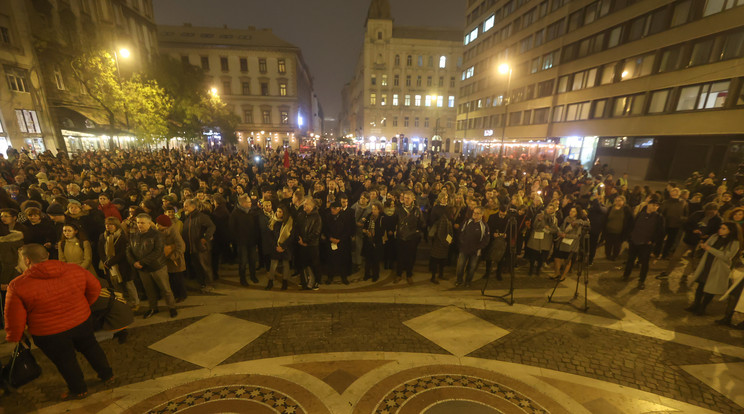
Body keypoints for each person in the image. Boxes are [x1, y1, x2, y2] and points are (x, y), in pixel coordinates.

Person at [4, 244, 114, 400]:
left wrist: (15, 335)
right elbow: (95, 287)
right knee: (91, 348)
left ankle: (79, 389)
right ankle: (107, 374)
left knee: (65, 360)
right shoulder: (73, 269)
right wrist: (83, 305)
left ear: (26, 260)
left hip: (50, 333)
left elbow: (14, 316)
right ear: (47, 255)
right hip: (81, 321)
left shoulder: (17, 285)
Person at [127, 213, 178, 319]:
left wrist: (141, 262)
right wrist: (133, 262)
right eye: (138, 222)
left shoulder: (157, 235)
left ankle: (172, 307)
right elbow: (128, 249)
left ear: (149, 223)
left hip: (157, 267)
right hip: (143, 269)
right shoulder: (134, 235)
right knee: (149, 290)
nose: (139, 225)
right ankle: (153, 308)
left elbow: (158, 251)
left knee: (166, 289)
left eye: (142, 223)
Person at [687, 222, 741, 316]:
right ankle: (695, 304)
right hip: (707, 264)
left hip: (718, 268)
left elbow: (727, 256)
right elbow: (707, 245)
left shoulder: (734, 243)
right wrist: (703, 246)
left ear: (730, 230)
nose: (720, 230)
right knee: (700, 285)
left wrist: (709, 249)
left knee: (711, 288)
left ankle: (702, 307)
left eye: (724, 228)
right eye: (720, 228)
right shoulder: (715, 236)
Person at [622, 199, 665, 289]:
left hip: (646, 244)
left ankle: (641, 281)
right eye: (653, 204)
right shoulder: (640, 214)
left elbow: (660, 232)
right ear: (648, 205)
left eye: (657, 206)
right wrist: (630, 236)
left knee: (645, 263)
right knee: (630, 260)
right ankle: (626, 275)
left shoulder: (659, 217)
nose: (655, 207)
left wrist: (652, 241)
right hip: (634, 241)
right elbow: (633, 225)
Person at [98, 217, 139, 310]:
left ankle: (135, 302)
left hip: (122, 265)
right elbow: (100, 250)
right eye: (107, 224)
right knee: (116, 285)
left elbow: (123, 252)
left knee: (129, 285)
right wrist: (105, 261)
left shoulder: (122, 236)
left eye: (111, 224)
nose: (108, 226)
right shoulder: (103, 236)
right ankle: (122, 302)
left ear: (116, 226)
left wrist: (110, 262)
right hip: (109, 266)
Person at [181, 198, 216, 293]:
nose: (184, 208)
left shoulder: (201, 217)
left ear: (193, 207)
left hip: (201, 247)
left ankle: (209, 284)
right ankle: (202, 283)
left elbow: (211, 226)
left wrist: (205, 238)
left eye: (186, 206)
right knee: (197, 266)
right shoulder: (188, 218)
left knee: (205, 266)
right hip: (192, 248)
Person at [455, 206, 490, 288]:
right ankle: (459, 280)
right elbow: (461, 233)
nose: (475, 214)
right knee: (460, 266)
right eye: (474, 212)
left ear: (481, 214)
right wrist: (462, 243)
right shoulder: (467, 222)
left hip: (475, 251)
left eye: (477, 213)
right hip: (464, 249)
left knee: (472, 267)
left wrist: (478, 247)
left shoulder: (484, 226)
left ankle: (468, 281)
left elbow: (486, 239)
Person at [394, 191, 424, 284]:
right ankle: (399, 274)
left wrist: (417, 232)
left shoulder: (417, 210)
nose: (406, 200)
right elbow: (395, 221)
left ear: (413, 199)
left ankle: (409, 275)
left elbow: (421, 223)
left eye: (408, 198)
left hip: (412, 237)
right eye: (405, 197)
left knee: (410, 257)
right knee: (400, 256)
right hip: (401, 236)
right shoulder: (399, 209)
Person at [229, 194, 259, 286]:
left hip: (252, 241)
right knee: (243, 261)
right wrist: (237, 240)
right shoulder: (235, 214)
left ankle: (253, 276)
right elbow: (232, 229)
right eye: (249, 202)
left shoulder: (251, 212)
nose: (251, 203)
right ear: (242, 203)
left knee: (252, 260)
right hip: (242, 243)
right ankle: (243, 278)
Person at [156, 214, 187, 303]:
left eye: (159, 224)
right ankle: (175, 294)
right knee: (171, 278)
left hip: (175, 260)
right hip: (166, 259)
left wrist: (173, 256)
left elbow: (181, 246)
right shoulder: (159, 231)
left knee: (178, 279)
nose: (157, 225)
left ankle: (182, 295)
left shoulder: (173, 231)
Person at [266, 205, 295, 290]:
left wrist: (283, 246)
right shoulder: (273, 221)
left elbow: (291, 236)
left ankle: (285, 282)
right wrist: (276, 246)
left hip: (285, 247)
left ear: (284, 213)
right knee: (273, 264)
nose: (278, 213)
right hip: (276, 247)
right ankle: (270, 281)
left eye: (280, 212)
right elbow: (270, 236)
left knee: (285, 265)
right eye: (277, 211)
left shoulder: (289, 222)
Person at [525, 204, 559, 277]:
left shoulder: (554, 219)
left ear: (553, 210)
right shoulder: (540, 215)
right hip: (537, 237)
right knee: (533, 255)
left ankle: (538, 270)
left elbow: (555, 230)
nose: (549, 210)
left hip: (546, 239)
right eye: (548, 208)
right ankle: (531, 269)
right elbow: (534, 226)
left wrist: (548, 229)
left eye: (551, 209)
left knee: (542, 256)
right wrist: (539, 220)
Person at [297, 196, 322, 290]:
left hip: (312, 245)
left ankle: (316, 281)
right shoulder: (302, 214)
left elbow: (316, 232)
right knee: (303, 263)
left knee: (314, 264)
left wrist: (306, 241)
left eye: (306, 204)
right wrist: (300, 239)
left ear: (311, 206)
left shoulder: (317, 217)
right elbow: (298, 227)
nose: (304, 205)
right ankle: (304, 281)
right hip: (301, 243)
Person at [429, 206, 454, 284]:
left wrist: (448, 241)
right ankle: (434, 277)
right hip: (439, 245)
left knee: (441, 261)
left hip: (441, 245)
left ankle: (440, 275)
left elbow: (449, 233)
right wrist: (446, 242)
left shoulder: (446, 219)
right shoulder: (444, 220)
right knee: (437, 261)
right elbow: (441, 234)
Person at [361, 201, 384, 282]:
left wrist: (375, 233)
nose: (373, 211)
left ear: (379, 210)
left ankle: (375, 275)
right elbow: (364, 227)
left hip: (377, 242)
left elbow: (382, 231)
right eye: (372, 209)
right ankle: (366, 274)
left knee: (375, 260)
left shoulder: (382, 218)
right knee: (368, 260)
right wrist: (366, 231)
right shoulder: (369, 216)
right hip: (368, 241)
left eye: (375, 209)